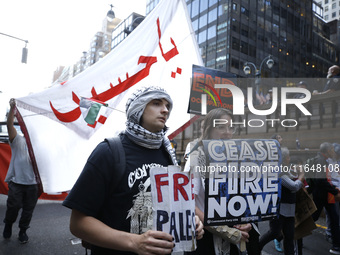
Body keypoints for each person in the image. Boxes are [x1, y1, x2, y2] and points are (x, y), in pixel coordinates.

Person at [62, 87, 204, 255]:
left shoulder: (168, 153)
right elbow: (78, 224)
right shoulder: (109, 151)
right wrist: (135, 243)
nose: (165, 110)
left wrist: (189, 221)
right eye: (157, 103)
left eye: (167, 105)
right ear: (138, 108)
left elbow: (172, 205)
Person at [185, 108, 252, 255]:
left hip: (234, 235)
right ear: (209, 128)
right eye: (221, 127)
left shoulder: (235, 156)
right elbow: (188, 201)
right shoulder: (196, 155)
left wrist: (246, 221)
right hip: (204, 235)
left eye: (230, 127)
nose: (227, 132)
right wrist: (224, 231)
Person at [3, 98, 39, 244]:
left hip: (33, 184)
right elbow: (9, 124)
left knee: (28, 210)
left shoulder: (40, 144)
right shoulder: (17, 140)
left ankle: (23, 231)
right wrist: (12, 108)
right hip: (17, 182)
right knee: (13, 206)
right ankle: (8, 225)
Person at [259, 147, 305, 255]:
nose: (290, 159)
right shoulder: (278, 171)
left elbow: (294, 179)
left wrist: (297, 172)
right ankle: (256, 247)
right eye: (288, 157)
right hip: (279, 209)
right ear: (284, 159)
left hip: (289, 210)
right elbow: (293, 186)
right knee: (274, 233)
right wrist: (301, 175)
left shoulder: (287, 169)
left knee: (289, 236)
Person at [311, 142, 340, 254]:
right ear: (327, 151)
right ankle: (293, 234)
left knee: (334, 218)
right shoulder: (320, 161)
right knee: (313, 217)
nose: (333, 152)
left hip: (327, 196)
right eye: (332, 149)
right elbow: (320, 180)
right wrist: (334, 190)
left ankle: (336, 246)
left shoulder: (325, 161)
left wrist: (333, 190)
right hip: (321, 196)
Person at [324, 143, 340, 245]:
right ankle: (329, 232)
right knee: (331, 213)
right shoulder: (327, 162)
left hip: (338, 190)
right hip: (332, 191)